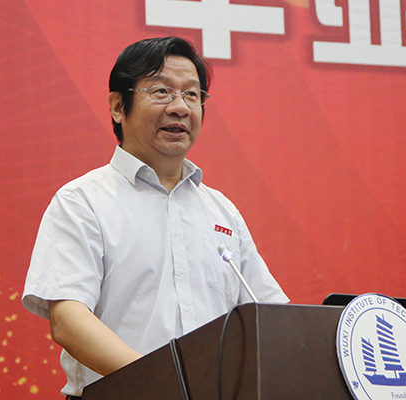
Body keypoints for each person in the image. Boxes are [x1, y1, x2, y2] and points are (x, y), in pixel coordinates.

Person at [22, 36, 288, 398]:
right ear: (119, 106)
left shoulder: (222, 211)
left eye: (192, 95)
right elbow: (68, 320)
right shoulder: (82, 201)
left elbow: (270, 318)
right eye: (162, 91)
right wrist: (165, 383)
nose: (180, 108)